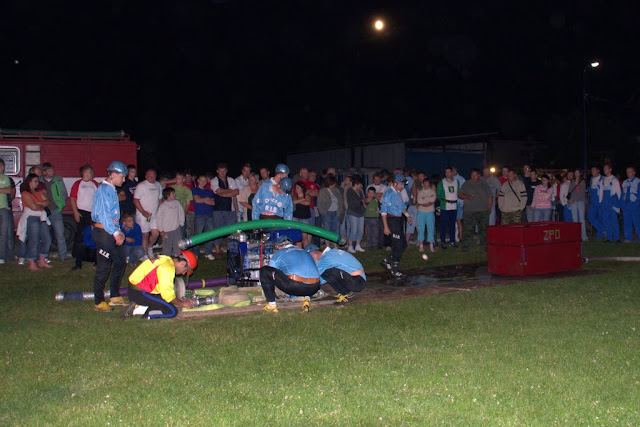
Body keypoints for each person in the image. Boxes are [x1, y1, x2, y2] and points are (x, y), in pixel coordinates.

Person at [91, 161, 128, 312]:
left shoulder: (111, 189)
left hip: (110, 231)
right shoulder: (104, 190)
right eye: (122, 177)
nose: (123, 180)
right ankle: (99, 302)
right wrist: (115, 233)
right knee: (104, 267)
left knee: (120, 261)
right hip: (103, 233)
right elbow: (104, 215)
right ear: (113, 175)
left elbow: (113, 215)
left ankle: (114, 296)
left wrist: (118, 230)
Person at [122, 250, 198, 319]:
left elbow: (161, 287)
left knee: (163, 301)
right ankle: (141, 310)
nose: (183, 273)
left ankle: (138, 304)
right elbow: (168, 296)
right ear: (182, 263)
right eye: (185, 270)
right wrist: (182, 303)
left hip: (134, 288)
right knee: (172, 311)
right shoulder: (168, 268)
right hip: (141, 292)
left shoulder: (164, 258)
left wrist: (176, 300)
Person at [260, 236, 321, 313]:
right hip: (315, 287)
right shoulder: (305, 251)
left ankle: (272, 304)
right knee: (305, 273)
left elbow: (271, 271)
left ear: (281, 246)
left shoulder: (280, 253)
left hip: (295, 286)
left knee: (264, 271)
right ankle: (307, 299)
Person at [17, 174, 53, 271]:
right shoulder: (25, 193)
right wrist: (41, 204)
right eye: (35, 181)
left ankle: (42, 259)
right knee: (34, 240)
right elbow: (33, 207)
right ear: (29, 182)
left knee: (47, 239)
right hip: (32, 218)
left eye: (37, 181)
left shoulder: (39, 192)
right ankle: (32, 261)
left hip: (41, 217)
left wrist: (38, 204)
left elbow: (48, 201)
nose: (37, 183)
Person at [380, 173, 413, 277]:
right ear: (395, 183)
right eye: (401, 184)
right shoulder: (388, 193)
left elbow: (402, 206)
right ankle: (395, 269)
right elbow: (383, 211)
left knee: (403, 244)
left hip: (398, 220)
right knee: (398, 244)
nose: (403, 186)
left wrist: (407, 215)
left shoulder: (398, 193)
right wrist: (386, 226)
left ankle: (387, 260)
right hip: (391, 220)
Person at [69, 164, 99, 270]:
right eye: (90, 172)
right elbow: (72, 198)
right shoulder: (78, 184)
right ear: (85, 172)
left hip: (93, 213)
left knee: (95, 236)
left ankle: (95, 260)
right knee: (80, 237)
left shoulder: (94, 183)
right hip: (82, 212)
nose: (92, 174)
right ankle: (78, 262)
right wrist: (75, 212)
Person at [458, 168, 493, 252]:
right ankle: (466, 247)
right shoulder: (467, 184)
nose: (473, 176)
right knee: (468, 230)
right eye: (472, 175)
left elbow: (490, 197)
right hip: (469, 211)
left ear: (479, 175)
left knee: (483, 230)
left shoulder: (484, 184)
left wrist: (489, 208)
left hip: (483, 211)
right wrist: (467, 197)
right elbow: (460, 195)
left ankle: (484, 247)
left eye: (475, 175)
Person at [40, 162, 68, 260]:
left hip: (55, 210)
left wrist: (60, 204)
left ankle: (63, 255)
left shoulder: (58, 179)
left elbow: (64, 193)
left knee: (60, 234)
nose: (52, 172)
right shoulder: (39, 181)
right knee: (44, 235)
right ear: (44, 172)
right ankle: (43, 256)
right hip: (44, 210)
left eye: (52, 170)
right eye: (49, 171)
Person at [211, 163, 239, 259]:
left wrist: (224, 193)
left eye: (224, 171)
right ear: (217, 171)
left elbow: (236, 192)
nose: (222, 173)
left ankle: (231, 249)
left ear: (226, 171)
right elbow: (218, 191)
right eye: (220, 171)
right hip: (218, 210)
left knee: (232, 231)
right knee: (218, 231)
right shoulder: (214, 180)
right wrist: (230, 191)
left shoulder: (231, 180)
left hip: (230, 209)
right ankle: (217, 251)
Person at [133, 169, 163, 258]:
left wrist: (160, 211)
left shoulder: (158, 185)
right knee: (145, 235)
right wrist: (143, 211)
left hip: (154, 215)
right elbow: (135, 200)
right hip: (143, 215)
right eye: (150, 176)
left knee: (156, 233)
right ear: (146, 176)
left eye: (154, 175)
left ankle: (149, 247)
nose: (152, 177)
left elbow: (160, 199)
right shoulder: (141, 186)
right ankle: (145, 255)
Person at [192, 174, 216, 259]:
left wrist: (203, 200)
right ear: (198, 181)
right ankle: (196, 253)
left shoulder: (209, 191)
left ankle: (208, 252)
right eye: (201, 180)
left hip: (209, 215)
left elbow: (213, 203)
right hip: (199, 215)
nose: (203, 182)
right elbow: (197, 200)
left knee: (209, 234)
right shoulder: (195, 190)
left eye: (205, 181)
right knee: (198, 235)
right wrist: (206, 199)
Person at [156, 187, 185, 257]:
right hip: (166, 230)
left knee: (178, 244)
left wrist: (181, 222)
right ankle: (166, 258)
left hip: (176, 229)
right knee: (167, 246)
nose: (174, 195)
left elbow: (181, 213)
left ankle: (178, 257)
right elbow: (159, 218)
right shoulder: (163, 206)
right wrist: (161, 230)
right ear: (168, 195)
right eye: (173, 193)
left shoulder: (177, 203)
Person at [436, 167, 459, 249]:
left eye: (449, 172)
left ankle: (452, 241)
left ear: (452, 173)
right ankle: (443, 242)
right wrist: (444, 200)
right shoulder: (441, 182)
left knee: (452, 225)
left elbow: (458, 192)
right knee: (443, 225)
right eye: (446, 172)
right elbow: (438, 195)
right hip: (445, 206)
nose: (448, 173)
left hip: (454, 206)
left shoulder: (456, 182)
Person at [317, 175, 344, 244]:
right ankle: (327, 245)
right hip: (327, 212)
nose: (335, 184)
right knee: (327, 229)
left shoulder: (336, 190)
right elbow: (319, 202)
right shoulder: (323, 191)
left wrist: (340, 210)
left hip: (336, 212)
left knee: (336, 229)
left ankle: (335, 245)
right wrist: (323, 212)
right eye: (333, 183)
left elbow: (340, 200)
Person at [598, 164, 621, 242]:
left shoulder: (614, 180)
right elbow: (601, 192)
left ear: (610, 169)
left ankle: (617, 238)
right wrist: (600, 202)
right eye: (604, 168)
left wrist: (617, 205)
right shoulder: (603, 180)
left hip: (612, 203)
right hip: (604, 203)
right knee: (606, 220)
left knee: (614, 221)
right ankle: (609, 238)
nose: (604, 170)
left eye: (606, 168)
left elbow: (618, 193)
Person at [345, 175, 366, 253]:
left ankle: (358, 245)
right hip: (353, 212)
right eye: (360, 184)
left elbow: (362, 200)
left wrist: (363, 204)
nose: (361, 186)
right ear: (357, 184)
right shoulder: (350, 191)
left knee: (360, 230)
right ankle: (350, 246)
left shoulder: (360, 191)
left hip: (360, 212)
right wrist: (361, 201)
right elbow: (353, 203)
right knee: (353, 230)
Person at [416, 176, 437, 253]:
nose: (425, 184)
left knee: (430, 228)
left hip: (430, 211)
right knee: (421, 227)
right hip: (421, 211)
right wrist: (428, 200)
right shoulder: (420, 192)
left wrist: (424, 199)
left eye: (427, 183)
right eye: (424, 183)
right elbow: (419, 201)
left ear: (429, 184)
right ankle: (421, 245)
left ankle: (431, 245)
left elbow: (433, 199)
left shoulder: (432, 192)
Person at [0, 158, 15, 265]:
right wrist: (2, 190)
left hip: (4, 208)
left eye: (3, 166)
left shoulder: (5, 178)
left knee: (4, 234)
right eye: (1, 166)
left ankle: (3, 256)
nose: (2, 168)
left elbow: (9, 190)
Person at [170, 171, 193, 237]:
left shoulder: (187, 190)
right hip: (171, 213)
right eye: (176, 178)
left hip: (181, 213)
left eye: (179, 178)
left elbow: (187, 204)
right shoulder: (171, 188)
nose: (177, 180)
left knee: (181, 233)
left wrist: (183, 214)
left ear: (183, 180)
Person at [621, 166, 640, 243]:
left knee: (637, 222)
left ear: (634, 172)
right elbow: (622, 194)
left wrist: (636, 203)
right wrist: (622, 204)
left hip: (634, 204)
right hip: (626, 204)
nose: (628, 173)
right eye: (627, 172)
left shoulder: (638, 181)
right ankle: (628, 238)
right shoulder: (624, 182)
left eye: (630, 172)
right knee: (627, 222)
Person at [568, 169, 588, 241]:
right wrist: (570, 200)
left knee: (581, 219)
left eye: (577, 172)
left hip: (580, 201)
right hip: (573, 201)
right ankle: (576, 235)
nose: (576, 174)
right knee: (575, 219)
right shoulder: (572, 181)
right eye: (575, 172)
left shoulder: (582, 181)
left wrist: (576, 199)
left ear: (580, 174)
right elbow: (570, 191)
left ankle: (584, 236)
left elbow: (582, 192)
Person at [292, 181, 312, 247]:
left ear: (302, 188)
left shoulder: (307, 195)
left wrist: (299, 201)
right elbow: (293, 202)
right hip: (296, 218)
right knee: (298, 238)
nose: (296, 189)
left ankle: (307, 251)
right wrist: (302, 199)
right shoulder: (295, 196)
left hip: (305, 218)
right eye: (296, 188)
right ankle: (299, 251)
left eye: (298, 187)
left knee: (304, 238)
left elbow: (307, 203)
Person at [588, 166, 604, 239]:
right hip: (593, 202)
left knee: (600, 218)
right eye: (591, 171)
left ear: (598, 171)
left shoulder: (602, 179)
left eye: (594, 170)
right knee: (590, 217)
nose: (592, 172)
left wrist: (601, 201)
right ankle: (602, 229)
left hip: (600, 201)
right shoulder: (591, 179)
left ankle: (599, 235)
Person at [451, 166, 466, 242]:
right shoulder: (450, 179)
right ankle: (454, 237)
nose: (452, 172)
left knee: (458, 220)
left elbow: (464, 191)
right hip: (451, 203)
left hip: (459, 203)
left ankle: (460, 237)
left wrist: (462, 203)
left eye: (453, 171)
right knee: (453, 221)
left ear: (456, 170)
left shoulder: (461, 179)